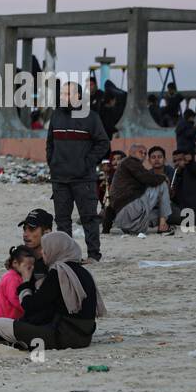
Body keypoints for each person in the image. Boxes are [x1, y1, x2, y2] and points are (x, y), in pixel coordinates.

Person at [0, 232, 104, 350]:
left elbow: (30, 306)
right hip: (85, 337)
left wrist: (25, 280)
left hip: (63, 337)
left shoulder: (59, 273)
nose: (41, 253)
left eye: (45, 249)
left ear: (56, 250)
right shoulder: (83, 272)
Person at [47, 82, 109, 263]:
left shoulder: (91, 117)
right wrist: (52, 163)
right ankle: (68, 257)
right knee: (62, 220)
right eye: (63, 94)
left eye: (69, 94)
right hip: (59, 178)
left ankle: (93, 255)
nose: (64, 97)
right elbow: (50, 142)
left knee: (89, 218)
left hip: (83, 179)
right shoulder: (56, 115)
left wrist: (87, 162)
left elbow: (103, 143)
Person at [108, 144, 171, 236]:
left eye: (145, 153)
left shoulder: (129, 166)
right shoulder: (130, 162)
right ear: (131, 153)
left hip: (125, 215)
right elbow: (147, 179)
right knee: (162, 184)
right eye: (140, 152)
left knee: (157, 213)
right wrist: (163, 177)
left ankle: (145, 227)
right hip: (128, 208)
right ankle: (162, 226)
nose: (143, 155)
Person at [0, 246, 34, 322]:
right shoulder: (12, 278)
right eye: (28, 267)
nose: (31, 269)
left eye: (33, 266)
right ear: (15, 263)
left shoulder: (18, 276)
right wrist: (30, 310)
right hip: (9, 318)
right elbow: (14, 299)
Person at [18, 208, 53, 286]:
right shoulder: (21, 261)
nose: (25, 234)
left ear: (46, 232)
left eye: (31, 229)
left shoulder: (55, 262)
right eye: (24, 229)